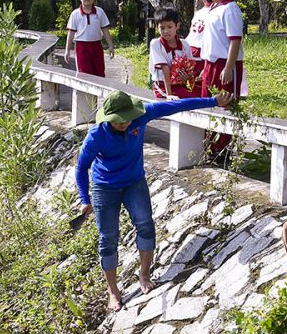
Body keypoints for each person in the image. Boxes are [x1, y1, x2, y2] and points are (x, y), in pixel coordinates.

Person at [75, 89, 234, 312]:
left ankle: (145, 274)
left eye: (128, 117)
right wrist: (85, 198)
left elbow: (175, 106)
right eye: (120, 120)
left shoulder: (141, 115)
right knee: (108, 238)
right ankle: (113, 291)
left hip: (134, 182)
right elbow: (82, 168)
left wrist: (212, 101)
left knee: (145, 225)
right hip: (105, 187)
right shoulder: (96, 136)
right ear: (109, 118)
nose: (126, 123)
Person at [199, 0, 244, 156]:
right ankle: (207, 145)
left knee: (225, 107)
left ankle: (221, 149)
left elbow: (235, 40)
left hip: (225, 64)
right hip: (211, 64)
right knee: (206, 104)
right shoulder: (216, 8)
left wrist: (227, 67)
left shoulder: (231, 10)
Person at [64, 0, 115, 78]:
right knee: (84, 74)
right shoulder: (75, 14)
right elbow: (71, 33)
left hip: (96, 46)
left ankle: (98, 93)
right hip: (81, 47)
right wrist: (67, 50)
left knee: (99, 73)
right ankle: (85, 94)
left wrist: (111, 46)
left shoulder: (99, 12)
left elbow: (105, 30)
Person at [149, 7, 202, 99]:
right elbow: (165, 68)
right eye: (162, 28)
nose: (165, 31)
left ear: (177, 26)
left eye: (169, 27)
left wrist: (187, 77)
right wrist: (169, 95)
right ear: (157, 27)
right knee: (182, 100)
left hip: (179, 85)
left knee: (193, 98)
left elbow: (190, 67)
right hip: (162, 86)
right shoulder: (156, 44)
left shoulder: (184, 44)